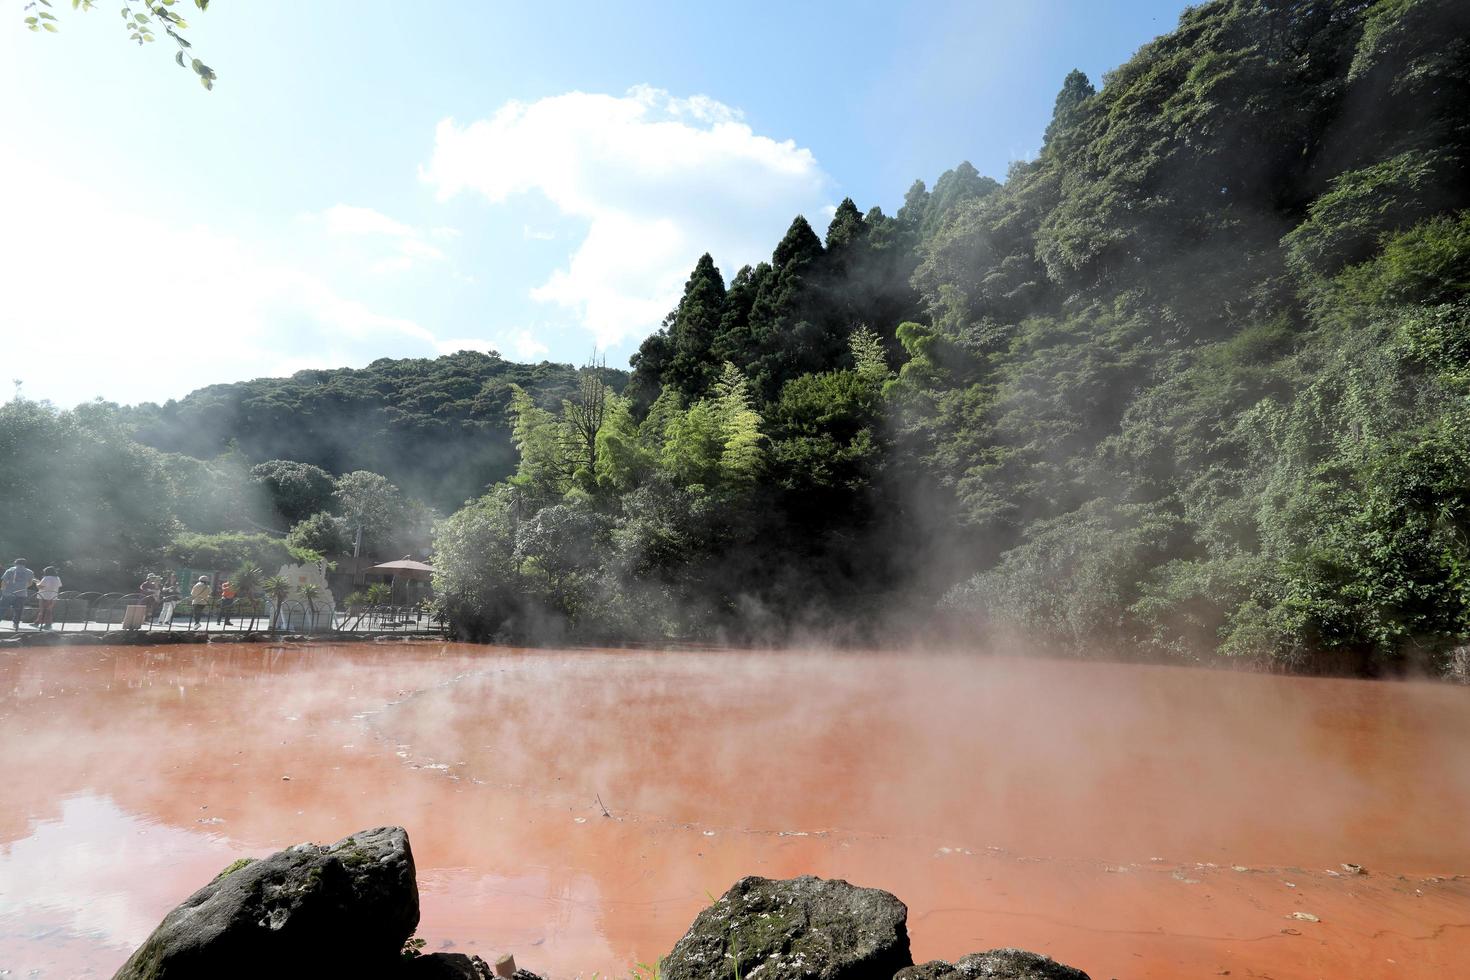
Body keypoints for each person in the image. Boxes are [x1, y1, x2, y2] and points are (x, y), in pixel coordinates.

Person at [0, 558, 34, 630]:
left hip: (8, 593)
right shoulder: (30, 572)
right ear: (25, 564)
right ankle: (16, 624)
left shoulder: (10, 570)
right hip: (21, 594)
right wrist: (23, 587)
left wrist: (3, 590)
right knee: (18, 610)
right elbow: (30, 583)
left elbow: (4, 582)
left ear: (15, 563)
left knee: (2, 608)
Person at [35, 566, 62, 631]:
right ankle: (38, 622)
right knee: (49, 610)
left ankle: (47, 624)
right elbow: (60, 585)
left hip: (44, 595)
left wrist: (37, 582)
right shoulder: (57, 578)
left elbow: (40, 587)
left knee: (42, 609)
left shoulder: (46, 578)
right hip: (53, 596)